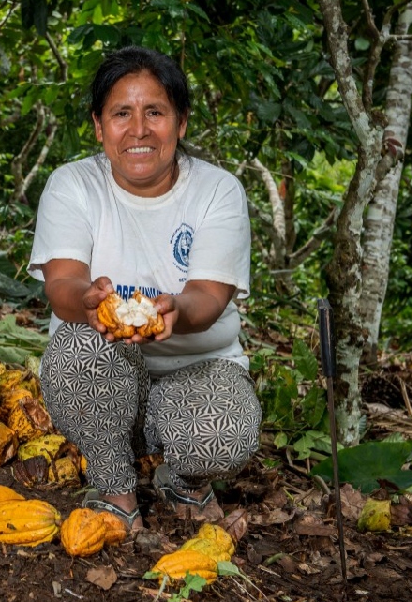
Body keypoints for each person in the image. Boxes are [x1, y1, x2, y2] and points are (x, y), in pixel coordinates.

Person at [27, 45, 260, 531]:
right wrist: (87, 302)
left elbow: (209, 298)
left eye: (155, 112)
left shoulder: (217, 190)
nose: (138, 130)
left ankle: (185, 481)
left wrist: (177, 308)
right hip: (109, 384)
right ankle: (116, 491)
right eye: (121, 114)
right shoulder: (73, 185)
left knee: (224, 436)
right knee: (77, 346)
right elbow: (63, 283)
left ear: (181, 123)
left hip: (197, 369)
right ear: (98, 126)